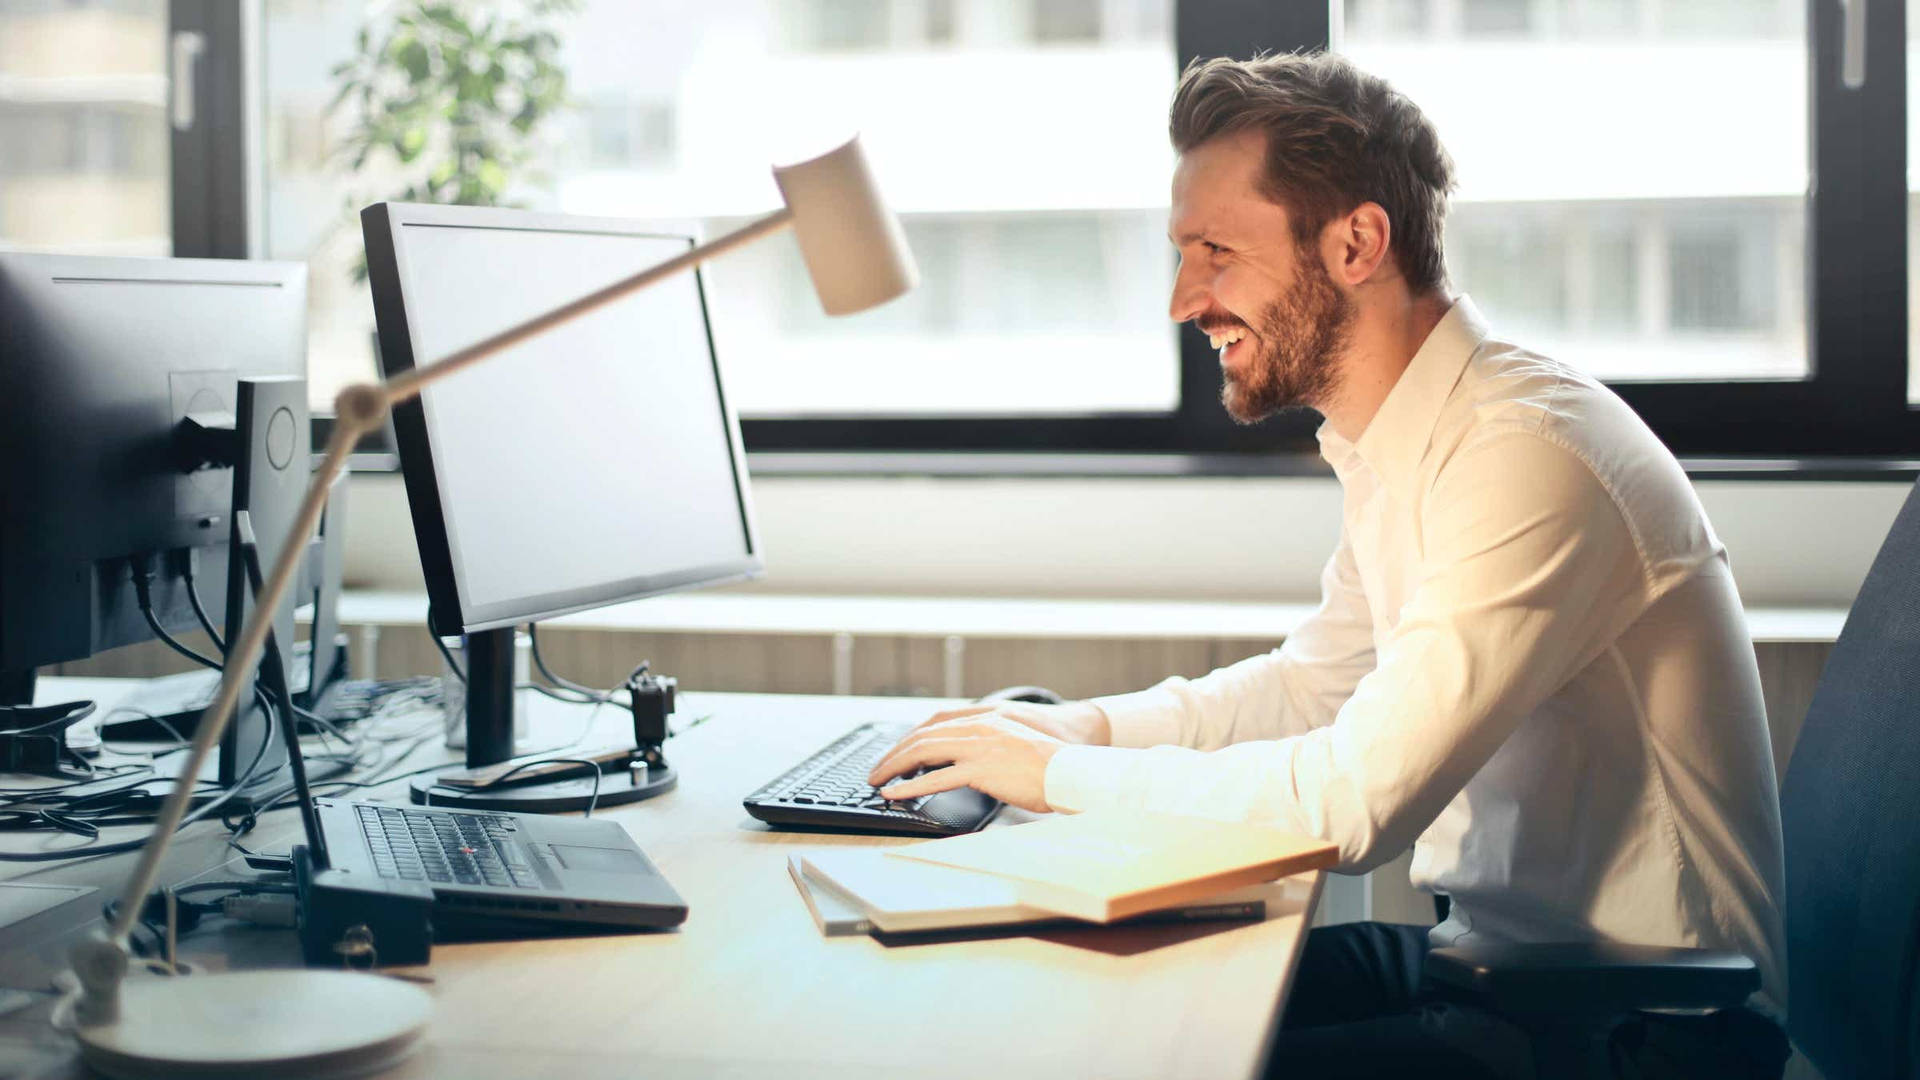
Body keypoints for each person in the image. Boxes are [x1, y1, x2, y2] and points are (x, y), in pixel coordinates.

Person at [868, 52, 1790, 1079]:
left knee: (1129, 1052)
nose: (1183, 300)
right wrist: (1078, 728)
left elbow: (1355, 804)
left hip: (1639, 1030)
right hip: (1500, 973)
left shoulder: (1527, 456)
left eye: (1215, 250)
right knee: (1074, 1001)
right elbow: (1316, 688)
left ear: (1357, 243)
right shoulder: (1404, 437)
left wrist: (1053, 776)